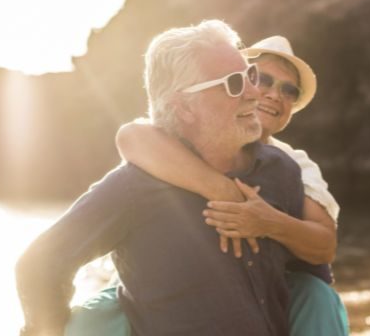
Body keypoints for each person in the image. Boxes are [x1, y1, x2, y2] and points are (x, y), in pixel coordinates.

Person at [17, 20, 310, 336]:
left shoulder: (281, 171)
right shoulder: (135, 189)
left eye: (250, 76)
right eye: (235, 83)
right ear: (183, 107)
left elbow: (305, 280)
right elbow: (39, 266)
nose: (255, 94)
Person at [67, 36, 349, 336]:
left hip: (268, 287)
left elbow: (323, 245)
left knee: (316, 296)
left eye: (289, 90)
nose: (272, 94)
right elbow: (132, 136)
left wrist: (266, 221)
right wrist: (225, 192)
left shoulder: (295, 166)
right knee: (93, 315)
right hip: (166, 289)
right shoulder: (192, 140)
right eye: (262, 79)